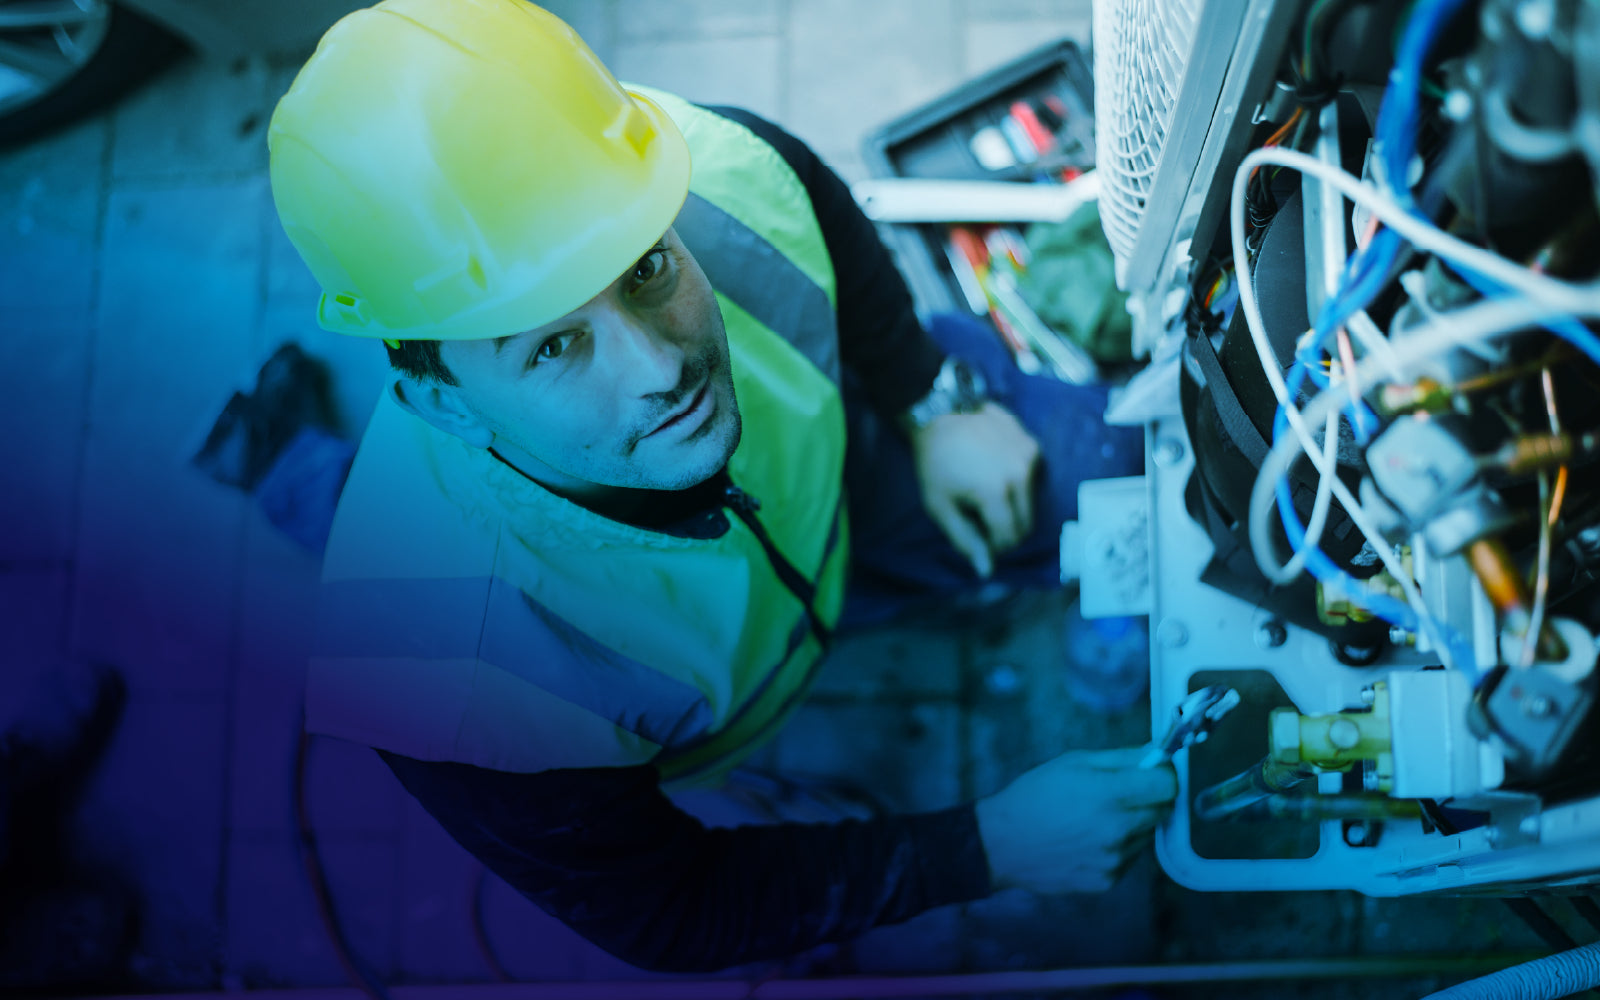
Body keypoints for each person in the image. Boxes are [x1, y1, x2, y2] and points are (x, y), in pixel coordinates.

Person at [266, 0, 1177, 974]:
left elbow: (809, 201)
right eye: (556, 344)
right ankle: (285, 468)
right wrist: (984, 848)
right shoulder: (452, 694)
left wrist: (929, 395)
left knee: (1102, 458)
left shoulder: (705, 172)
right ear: (437, 399)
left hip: (830, 496)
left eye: (648, 267)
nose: (659, 365)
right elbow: (672, 909)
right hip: (642, 622)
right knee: (361, 521)